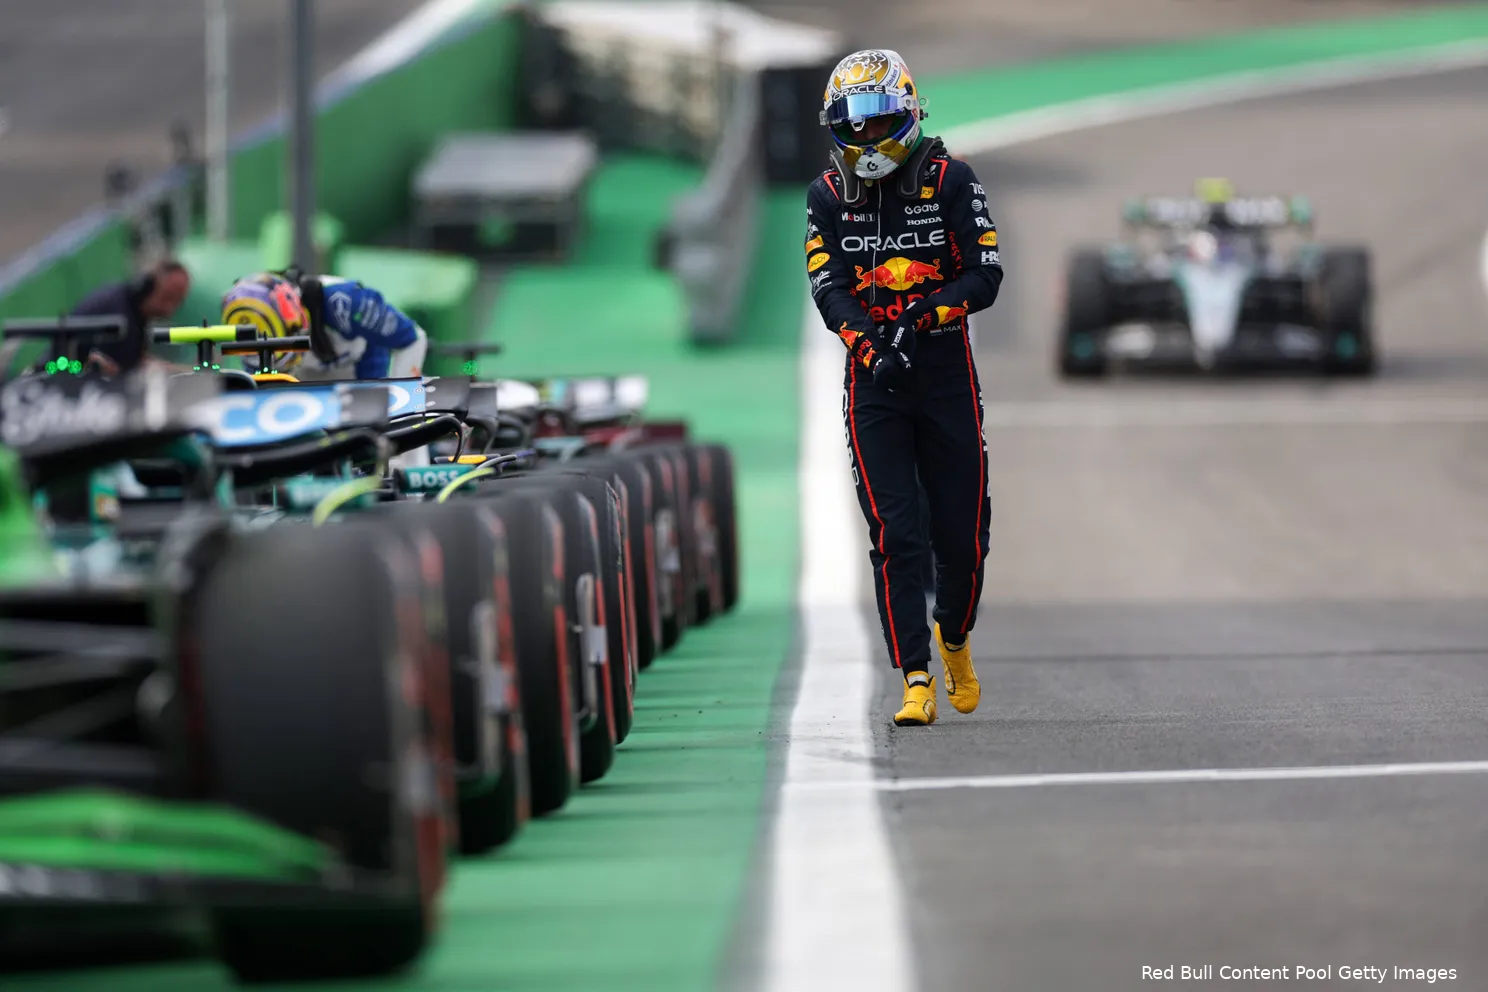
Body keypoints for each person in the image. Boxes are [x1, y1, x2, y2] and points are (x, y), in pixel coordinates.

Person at [805, 49, 1003, 728]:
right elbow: (827, 289)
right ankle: (914, 678)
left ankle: (953, 636)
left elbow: (986, 275)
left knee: (962, 535)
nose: (864, 137)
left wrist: (921, 320)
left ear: (909, 113)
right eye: (850, 125)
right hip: (873, 383)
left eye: (877, 121)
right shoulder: (827, 197)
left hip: (944, 372)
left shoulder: (952, 179)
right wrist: (870, 343)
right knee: (898, 532)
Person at [219, 271, 428, 382]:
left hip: (365, 377)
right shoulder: (249, 332)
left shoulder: (345, 302)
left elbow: (412, 338)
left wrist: (401, 410)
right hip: (303, 386)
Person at [70, 259, 191, 375]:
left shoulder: (131, 310)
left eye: (178, 301)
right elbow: (120, 370)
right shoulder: (120, 317)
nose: (170, 309)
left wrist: (187, 372)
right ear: (147, 287)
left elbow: (139, 361)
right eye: (167, 298)